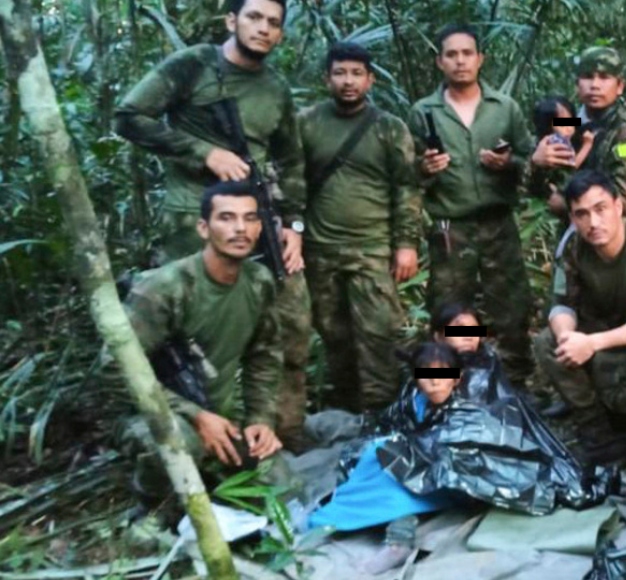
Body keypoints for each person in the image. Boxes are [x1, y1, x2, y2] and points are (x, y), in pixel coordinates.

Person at [114, 0, 314, 451]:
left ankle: (279, 435)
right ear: (231, 21)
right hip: (194, 219)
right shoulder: (193, 66)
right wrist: (204, 153)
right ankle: (193, 435)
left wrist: (294, 225)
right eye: (254, 17)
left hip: (259, 217)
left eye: (273, 23)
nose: (263, 28)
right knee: (188, 335)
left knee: (290, 323)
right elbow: (129, 117)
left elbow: (291, 159)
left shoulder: (275, 89)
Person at [118, 181, 291, 500]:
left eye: (250, 218)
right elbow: (116, 370)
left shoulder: (259, 281)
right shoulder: (163, 289)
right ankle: (153, 506)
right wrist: (195, 416)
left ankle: (213, 477)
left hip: (222, 416)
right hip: (157, 413)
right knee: (179, 445)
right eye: (226, 218)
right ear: (203, 227)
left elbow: (264, 355)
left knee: (284, 488)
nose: (240, 229)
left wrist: (260, 420)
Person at [407, 23, 536, 391]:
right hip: (451, 227)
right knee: (450, 308)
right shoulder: (423, 111)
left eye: (467, 53)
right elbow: (407, 172)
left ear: (481, 59)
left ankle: (513, 387)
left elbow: (531, 159)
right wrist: (425, 168)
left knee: (510, 306)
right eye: (451, 54)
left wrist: (508, 163)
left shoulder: (504, 108)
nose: (460, 61)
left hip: (499, 223)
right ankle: (451, 387)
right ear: (439, 62)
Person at [297, 42, 420, 415]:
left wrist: (406, 244)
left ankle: (384, 412)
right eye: (340, 73)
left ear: (370, 80)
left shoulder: (389, 128)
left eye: (356, 74)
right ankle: (347, 412)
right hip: (320, 249)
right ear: (327, 78)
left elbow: (407, 188)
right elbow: (290, 182)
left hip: (372, 249)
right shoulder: (306, 123)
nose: (348, 81)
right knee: (335, 336)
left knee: (380, 334)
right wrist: (293, 232)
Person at [533, 170, 626, 468]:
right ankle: (598, 435)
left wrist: (592, 343)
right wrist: (567, 338)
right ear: (573, 218)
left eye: (600, 209)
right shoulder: (573, 246)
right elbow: (561, 304)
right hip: (603, 330)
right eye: (582, 214)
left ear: (618, 206)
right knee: (547, 342)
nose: (593, 222)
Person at [308, 342, 464, 574]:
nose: (435, 381)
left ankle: (398, 541)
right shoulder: (413, 402)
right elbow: (390, 429)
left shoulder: (468, 411)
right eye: (426, 373)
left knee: (396, 489)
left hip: (441, 478)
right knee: (369, 457)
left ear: (457, 378)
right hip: (408, 465)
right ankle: (357, 516)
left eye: (443, 373)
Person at [532, 47, 626, 218]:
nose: (595, 85)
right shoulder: (569, 121)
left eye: (604, 77)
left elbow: (623, 199)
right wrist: (536, 163)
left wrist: (567, 204)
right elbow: (532, 181)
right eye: (588, 77)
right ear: (577, 85)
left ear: (620, 86)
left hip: (606, 229)